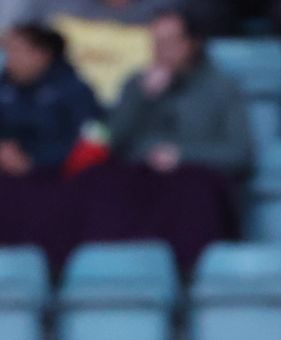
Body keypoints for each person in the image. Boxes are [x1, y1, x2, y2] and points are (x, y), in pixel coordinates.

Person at [66, 6, 249, 271]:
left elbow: (240, 153)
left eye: (169, 42)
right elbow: (109, 139)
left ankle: (188, 276)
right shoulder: (136, 84)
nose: (161, 51)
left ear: (192, 43)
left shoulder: (222, 87)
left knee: (194, 193)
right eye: (155, 42)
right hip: (140, 178)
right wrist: (141, 98)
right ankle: (106, 272)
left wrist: (181, 155)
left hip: (193, 178)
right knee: (101, 184)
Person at [0, 22, 103, 273]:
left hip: (58, 184)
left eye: (16, 51)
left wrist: (34, 161)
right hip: (7, 184)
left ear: (41, 54)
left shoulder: (75, 91)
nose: (9, 59)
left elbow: (88, 142)